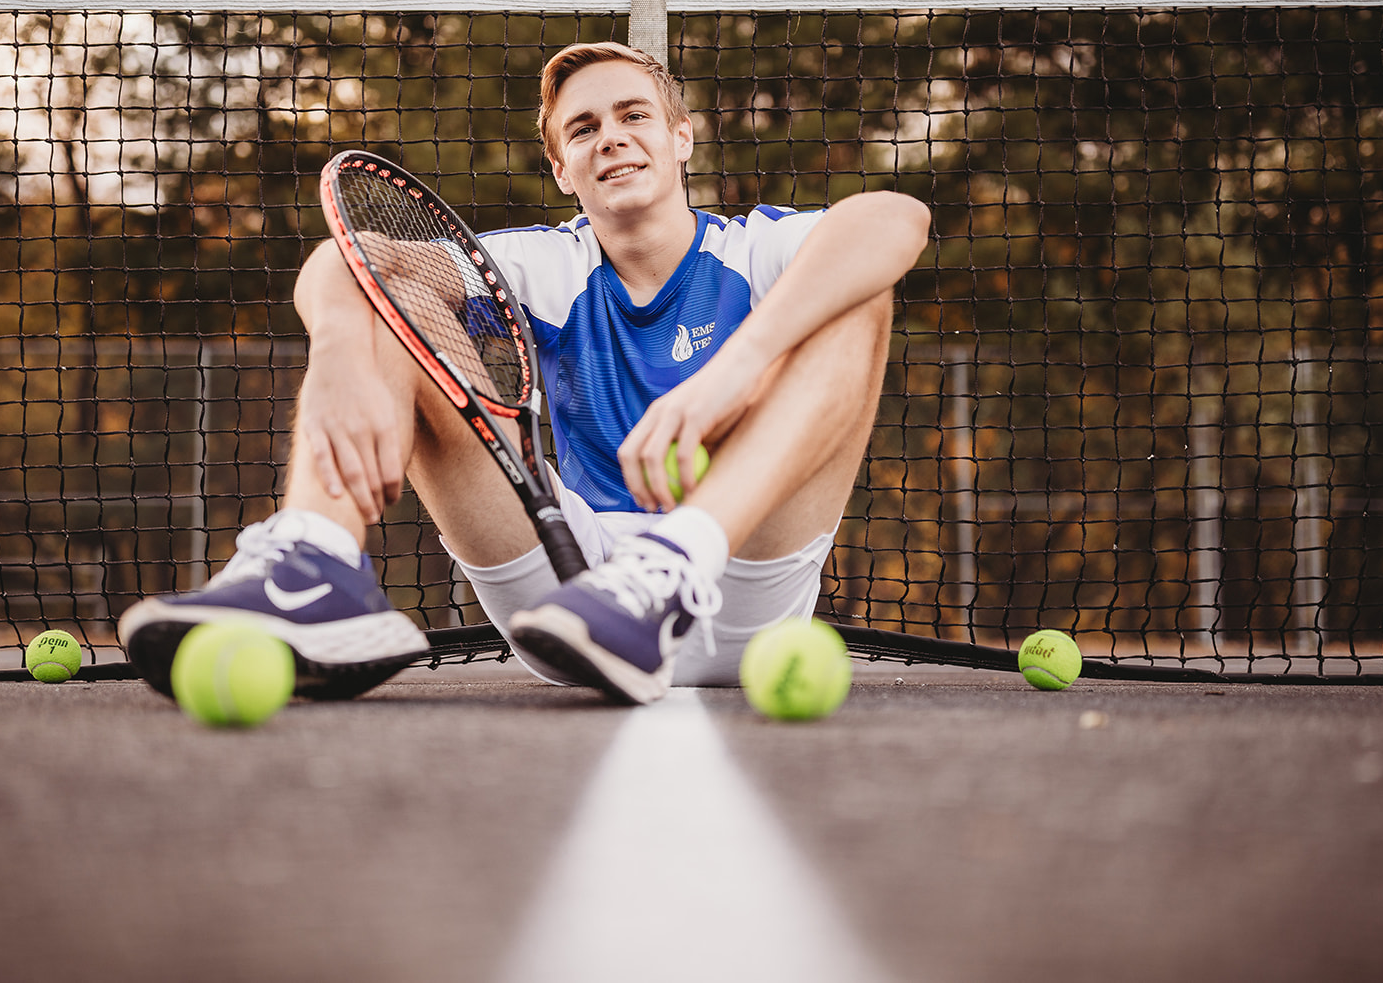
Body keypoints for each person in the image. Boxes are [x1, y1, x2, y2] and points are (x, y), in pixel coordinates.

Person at [118, 41, 930, 705]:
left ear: (681, 137)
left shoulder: (756, 249)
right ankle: (312, 561)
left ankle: (669, 567)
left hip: (740, 578)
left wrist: (738, 369)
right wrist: (336, 344)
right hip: (565, 591)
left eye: (633, 115)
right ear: (563, 170)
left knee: (857, 296)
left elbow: (897, 218)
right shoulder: (538, 264)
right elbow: (352, 256)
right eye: (582, 129)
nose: (609, 135)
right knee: (387, 293)